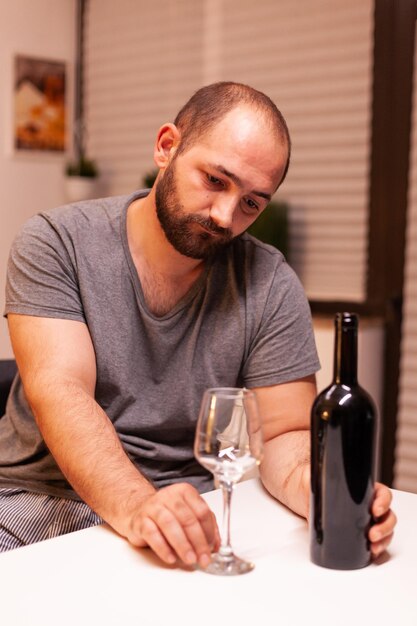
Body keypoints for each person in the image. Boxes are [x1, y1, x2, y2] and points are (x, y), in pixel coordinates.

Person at [0, 82, 396, 565]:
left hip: (192, 509)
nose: (226, 216)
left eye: (252, 203)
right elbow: (61, 392)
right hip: (41, 501)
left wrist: (323, 497)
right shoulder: (56, 242)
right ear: (167, 146)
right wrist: (140, 506)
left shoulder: (269, 282)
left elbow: (283, 435)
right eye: (214, 180)